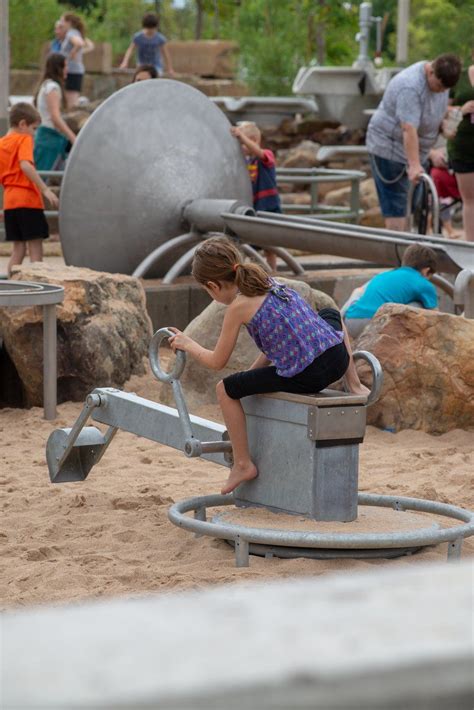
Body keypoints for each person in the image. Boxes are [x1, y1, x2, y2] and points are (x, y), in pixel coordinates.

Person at [168, 236, 369, 495]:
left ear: (213, 285)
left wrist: (188, 343)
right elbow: (273, 346)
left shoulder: (238, 307)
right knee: (331, 314)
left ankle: (242, 464)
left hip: (310, 375)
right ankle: (354, 384)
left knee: (225, 390)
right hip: (337, 357)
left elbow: (217, 361)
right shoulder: (267, 282)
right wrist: (251, 377)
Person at [366, 54, 462, 231]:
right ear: (431, 71)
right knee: (397, 209)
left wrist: (443, 126)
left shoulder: (442, 80)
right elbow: (408, 129)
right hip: (389, 149)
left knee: (411, 207)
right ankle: (398, 255)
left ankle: (407, 251)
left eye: (445, 89)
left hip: (418, 151)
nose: (442, 91)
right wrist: (415, 165)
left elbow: (432, 111)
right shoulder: (410, 86)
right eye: (440, 86)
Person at [0, 103, 59, 277]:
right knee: (35, 252)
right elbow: (25, 165)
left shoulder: (1, 144)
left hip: (10, 201)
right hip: (28, 201)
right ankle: (38, 289)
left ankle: (9, 288)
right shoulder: (24, 139)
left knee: (17, 250)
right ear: (23, 124)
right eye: (34, 128)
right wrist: (45, 189)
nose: (34, 133)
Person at [343, 244, 438, 339]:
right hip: (375, 323)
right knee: (419, 305)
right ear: (426, 271)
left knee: (360, 293)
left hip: (350, 321)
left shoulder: (385, 274)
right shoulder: (423, 283)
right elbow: (436, 315)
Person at [231, 121, 281, 271]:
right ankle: (252, 273)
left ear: (252, 141)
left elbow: (259, 152)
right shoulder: (244, 161)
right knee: (248, 245)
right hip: (253, 206)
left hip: (268, 206)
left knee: (270, 246)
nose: (241, 147)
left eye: (243, 143)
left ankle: (273, 272)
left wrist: (241, 137)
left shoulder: (266, 155)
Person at [33, 53, 77, 171]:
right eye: (65, 66)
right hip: (49, 138)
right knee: (43, 177)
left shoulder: (45, 85)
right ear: (59, 68)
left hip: (46, 137)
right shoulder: (52, 87)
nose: (67, 70)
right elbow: (55, 117)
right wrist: (73, 137)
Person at [447, 57, 474, 241]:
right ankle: (470, 248)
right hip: (463, 148)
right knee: (470, 199)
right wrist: (461, 109)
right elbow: (442, 109)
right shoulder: (460, 77)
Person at [120, 12, 174, 77]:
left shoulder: (160, 38)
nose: (150, 31)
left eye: (152, 29)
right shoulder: (138, 37)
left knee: (154, 77)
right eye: (148, 29)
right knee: (141, 77)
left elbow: (166, 54)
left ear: (156, 27)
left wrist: (170, 68)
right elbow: (130, 50)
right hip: (142, 65)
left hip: (156, 66)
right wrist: (125, 62)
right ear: (144, 27)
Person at [60, 13, 94, 109]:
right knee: (70, 101)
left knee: (71, 103)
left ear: (69, 22)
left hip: (72, 71)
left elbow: (79, 43)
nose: (61, 24)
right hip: (74, 71)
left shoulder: (71, 33)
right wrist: (79, 53)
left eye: (62, 21)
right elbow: (90, 45)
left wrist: (72, 54)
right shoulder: (76, 33)